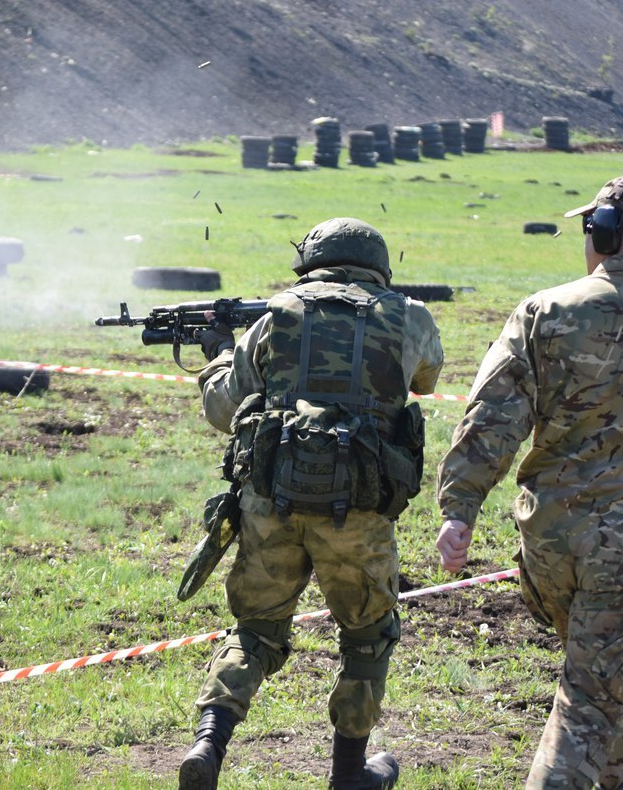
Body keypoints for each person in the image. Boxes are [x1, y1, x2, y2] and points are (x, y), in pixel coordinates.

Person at [434, 173, 623, 789]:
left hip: (553, 544)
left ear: (605, 230)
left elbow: (491, 421)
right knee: (591, 699)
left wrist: (459, 510)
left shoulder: (545, 311)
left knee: (600, 688)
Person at [179, 217, 445, 790]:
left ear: (311, 263)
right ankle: (349, 776)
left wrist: (221, 354)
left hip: (272, 498)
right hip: (358, 508)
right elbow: (425, 380)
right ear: (378, 266)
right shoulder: (410, 316)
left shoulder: (277, 315)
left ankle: (209, 743)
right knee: (368, 636)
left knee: (255, 627)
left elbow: (224, 410)